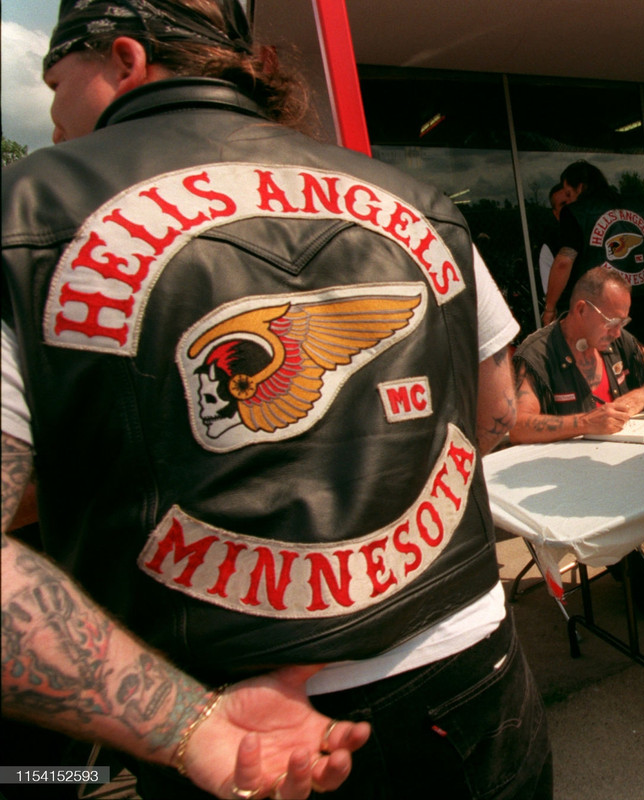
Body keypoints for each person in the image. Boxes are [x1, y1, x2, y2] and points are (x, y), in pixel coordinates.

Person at [1, 2, 552, 798]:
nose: (54, 120)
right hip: (464, 667)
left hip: (228, 726)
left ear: (124, 59)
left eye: (57, 84)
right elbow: (496, 411)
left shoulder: (24, 211)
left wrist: (182, 723)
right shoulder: (417, 199)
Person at [512, 266, 644, 621]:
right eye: (611, 320)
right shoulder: (538, 353)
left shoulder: (615, 341)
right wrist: (585, 422)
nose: (618, 331)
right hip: (570, 476)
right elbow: (518, 426)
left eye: (623, 322)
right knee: (610, 495)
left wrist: (640, 397)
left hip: (622, 454)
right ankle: (637, 581)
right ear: (581, 309)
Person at [541, 161, 644, 347]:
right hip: (640, 305)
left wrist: (549, 308)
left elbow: (564, 261)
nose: (569, 200)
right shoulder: (641, 207)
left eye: (569, 193)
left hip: (599, 309)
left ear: (580, 187)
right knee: (640, 364)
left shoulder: (576, 213)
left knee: (606, 370)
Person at [536, 182, 571, 295]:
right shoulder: (550, 247)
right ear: (556, 214)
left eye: (572, 201)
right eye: (563, 204)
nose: (570, 207)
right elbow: (551, 293)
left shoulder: (598, 233)